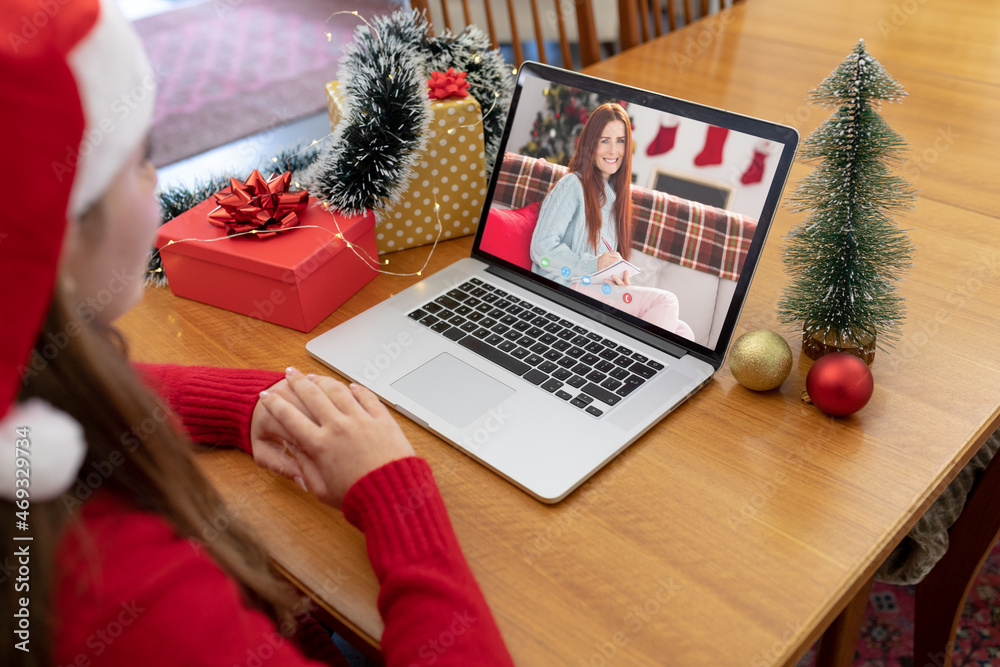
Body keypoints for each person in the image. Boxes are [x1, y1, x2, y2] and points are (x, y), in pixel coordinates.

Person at [0, 2, 513, 666]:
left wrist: (248, 404)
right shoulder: (134, 602)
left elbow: (71, 391)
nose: (156, 179)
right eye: (141, 158)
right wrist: (396, 493)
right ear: (57, 231)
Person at [529, 103, 695, 341]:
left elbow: (600, 263)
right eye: (604, 140)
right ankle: (635, 367)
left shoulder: (614, 200)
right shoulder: (572, 185)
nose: (613, 150)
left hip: (592, 290)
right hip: (566, 290)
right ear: (590, 143)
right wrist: (594, 266)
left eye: (620, 141)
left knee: (683, 333)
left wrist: (615, 278)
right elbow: (541, 250)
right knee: (666, 301)